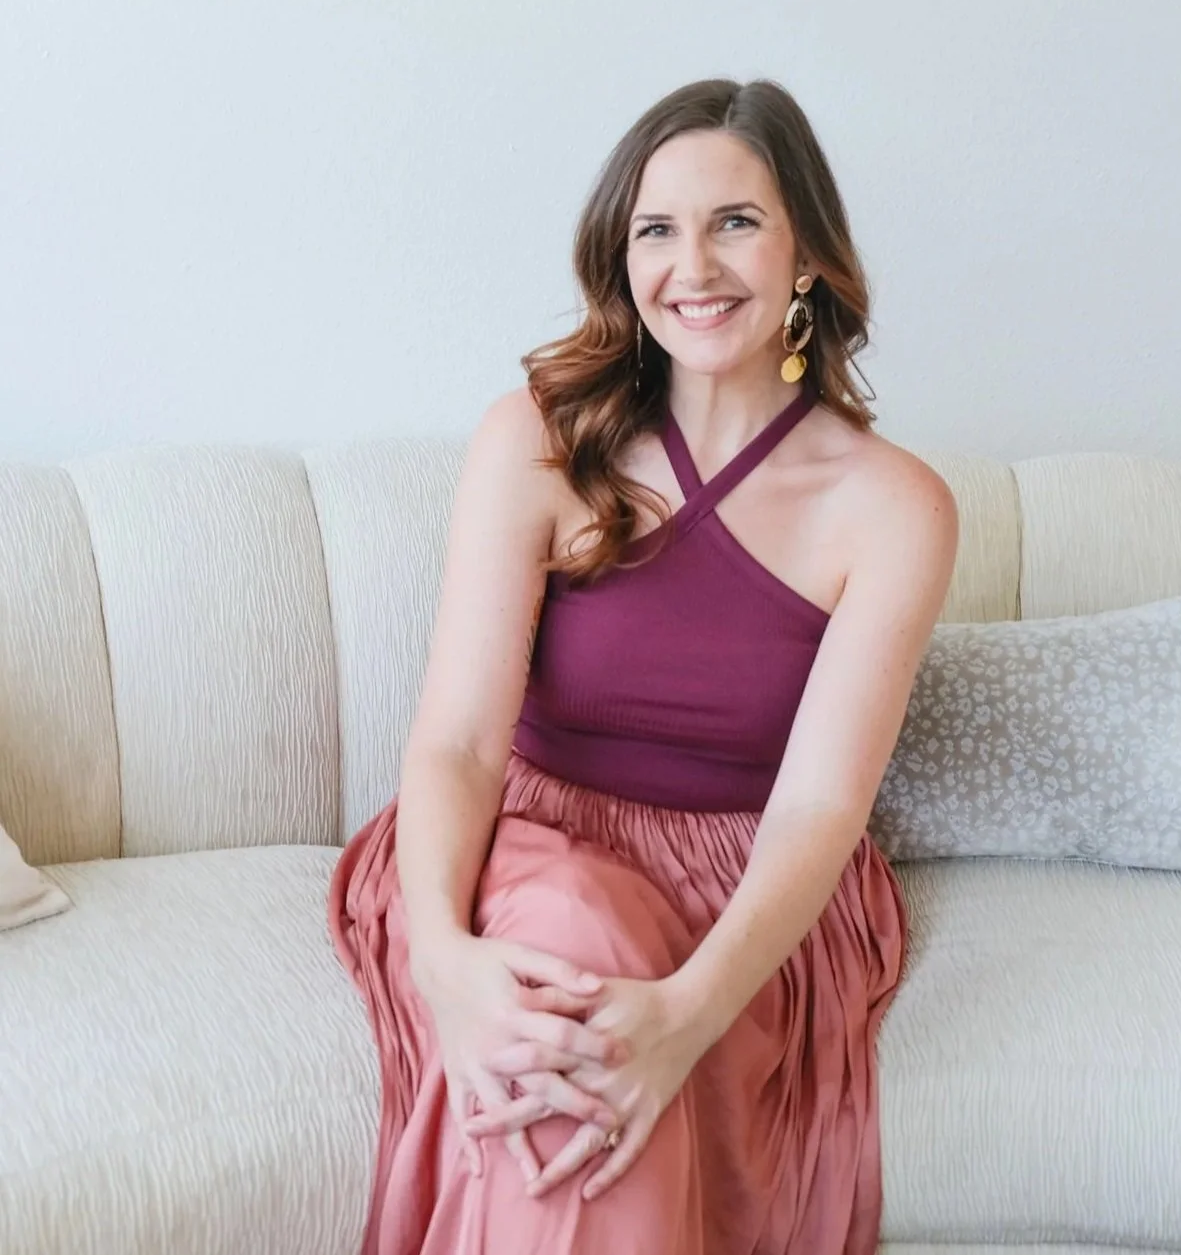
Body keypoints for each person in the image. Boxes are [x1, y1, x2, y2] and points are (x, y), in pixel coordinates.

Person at [329, 76, 959, 1255]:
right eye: (656, 230)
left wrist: (684, 1014)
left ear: (806, 254)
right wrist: (446, 960)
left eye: (736, 222)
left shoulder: (893, 506)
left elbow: (820, 808)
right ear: (621, 261)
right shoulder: (536, 437)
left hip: (746, 890)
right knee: (568, 961)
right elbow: (457, 743)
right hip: (520, 847)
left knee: (596, 1040)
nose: (692, 266)